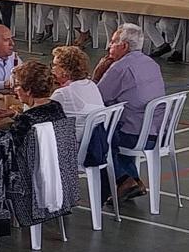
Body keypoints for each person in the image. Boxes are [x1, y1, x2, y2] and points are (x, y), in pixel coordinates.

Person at [93, 23, 166, 202]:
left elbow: (96, 97)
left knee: (99, 136)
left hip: (136, 135)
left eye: (112, 43)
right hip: (159, 131)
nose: (109, 47)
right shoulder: (151, 63)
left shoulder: (120, 67)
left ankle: (123, 179)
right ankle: (133, 179)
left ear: (124, 46)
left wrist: (98, 73)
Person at [49, 44, 106, 131]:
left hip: (73, 140)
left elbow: (44, 118)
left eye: (55, 65)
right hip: (93, 138)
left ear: (66, 70)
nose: (52, 68)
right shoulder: (91, 85)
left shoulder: (63, 94)